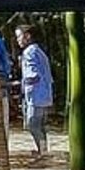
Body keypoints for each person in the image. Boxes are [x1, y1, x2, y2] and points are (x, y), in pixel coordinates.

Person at [15, 24, 54, 162]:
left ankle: (43, 152)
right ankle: (43, 150)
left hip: (36, 95)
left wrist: (19, 84)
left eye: (19, 36)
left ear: (27, 36)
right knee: (39, 125)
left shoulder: (29, 52)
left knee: (32, 124)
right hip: (44, 94)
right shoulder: (38, 51)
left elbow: (33, 75)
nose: (18, 40)